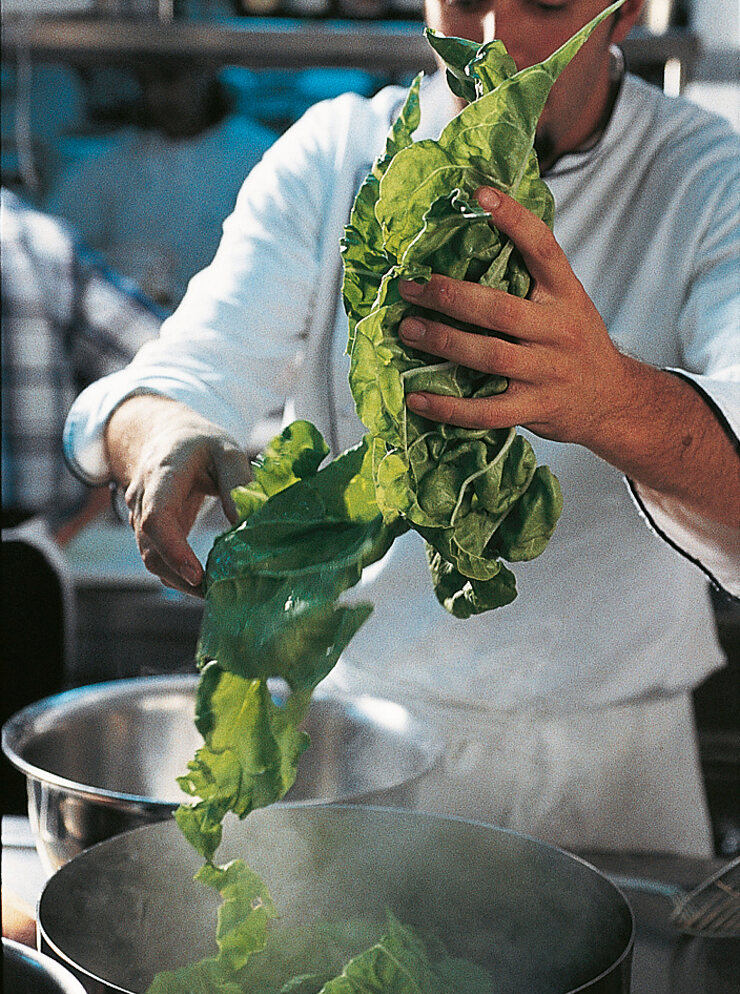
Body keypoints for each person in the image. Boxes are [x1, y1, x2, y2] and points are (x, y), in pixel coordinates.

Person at [62, 0, 740, 857]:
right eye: (461, 0)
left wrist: (610, 399)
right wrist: (161, 436)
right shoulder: (338, 154)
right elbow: (182, 374)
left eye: (543, 5)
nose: (492, 40)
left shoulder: (706, 174)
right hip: (371, 747)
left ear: (630, 11)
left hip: (617, 767)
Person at [1, 188, 164, 810]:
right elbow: (155, 368)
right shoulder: (33, 242)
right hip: (19, 566)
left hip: (22, 555)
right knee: (12, 810)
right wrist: (63, 525)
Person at [44, 61, 277, 309]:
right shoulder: (107, 166)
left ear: (206, 73)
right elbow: (59, 252)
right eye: (147, 83)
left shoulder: (262, 158)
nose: (158, 96)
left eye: (170, 79)